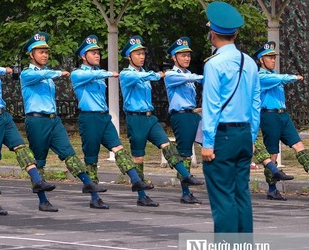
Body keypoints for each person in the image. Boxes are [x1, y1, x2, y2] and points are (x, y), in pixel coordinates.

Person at [0, 31, 56, 216]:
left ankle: (38, 182)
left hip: (3, 116)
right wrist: (4, 70)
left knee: (21, 148)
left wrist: (1, 69)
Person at [19, 31, 106, 213]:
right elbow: (43, 75)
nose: (45, 55)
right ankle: (43, 200)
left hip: (54, 120)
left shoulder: (47, 75)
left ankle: (89, 185)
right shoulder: (27, 73)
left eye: (46, 52)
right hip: (36, 121)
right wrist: (59, 72)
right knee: (39, 161)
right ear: (31, 54)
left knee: (69, 153)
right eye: (41, 52)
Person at [69, 35, 154, 210]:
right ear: (83, 56)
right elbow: (94, 74)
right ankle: (94, 196)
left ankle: (137, 181)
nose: (97, 55)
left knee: (119, 149)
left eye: (98, 52)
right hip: (89, 118)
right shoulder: (78, 74)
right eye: (93, 52)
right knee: (91, 158)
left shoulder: (98, 73)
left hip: (103, 117)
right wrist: (110, 73)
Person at [120, 35, 204, 207]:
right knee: (138, 157)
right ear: (129, 57)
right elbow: (144, 77)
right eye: (137, 54)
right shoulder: (126, 74)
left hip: (150, 117)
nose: (142, 56)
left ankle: (186, 176)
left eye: (143, 53)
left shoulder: (146, 74)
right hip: (135, 119)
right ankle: (142, 195)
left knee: (167, 145)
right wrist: (157, 74)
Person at [200, 1, 260, 236]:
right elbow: (255, 104)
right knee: (241, 193)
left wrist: (208, 141)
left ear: (212, 34)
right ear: (235, 34)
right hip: (244, 133)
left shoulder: (214, 64)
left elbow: (212, 106)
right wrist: (251, 137)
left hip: (222, 136)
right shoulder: (250, 62)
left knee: (223, 195)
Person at [252, 41, 309, 200]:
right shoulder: (261, 76)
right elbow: (280, 78)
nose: (273, 60)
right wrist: (294, 77)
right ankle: (272, 188)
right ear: (261, 60)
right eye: (269, 57)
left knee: (298, 144)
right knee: (273, 153)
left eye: (274, 57)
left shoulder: (275, 75)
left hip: (283, 115)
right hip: (269, 116)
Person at [163, 36, 206, 204]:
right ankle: (185, 192)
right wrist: (205, 77)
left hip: (192, 114)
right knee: (185, 154)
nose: (187, 58)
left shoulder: (189, 74)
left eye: (188, 55)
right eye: (183, 55)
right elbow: (190, 79)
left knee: (211, 144)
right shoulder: (171, 74)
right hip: (181, 116)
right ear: (174, 58)